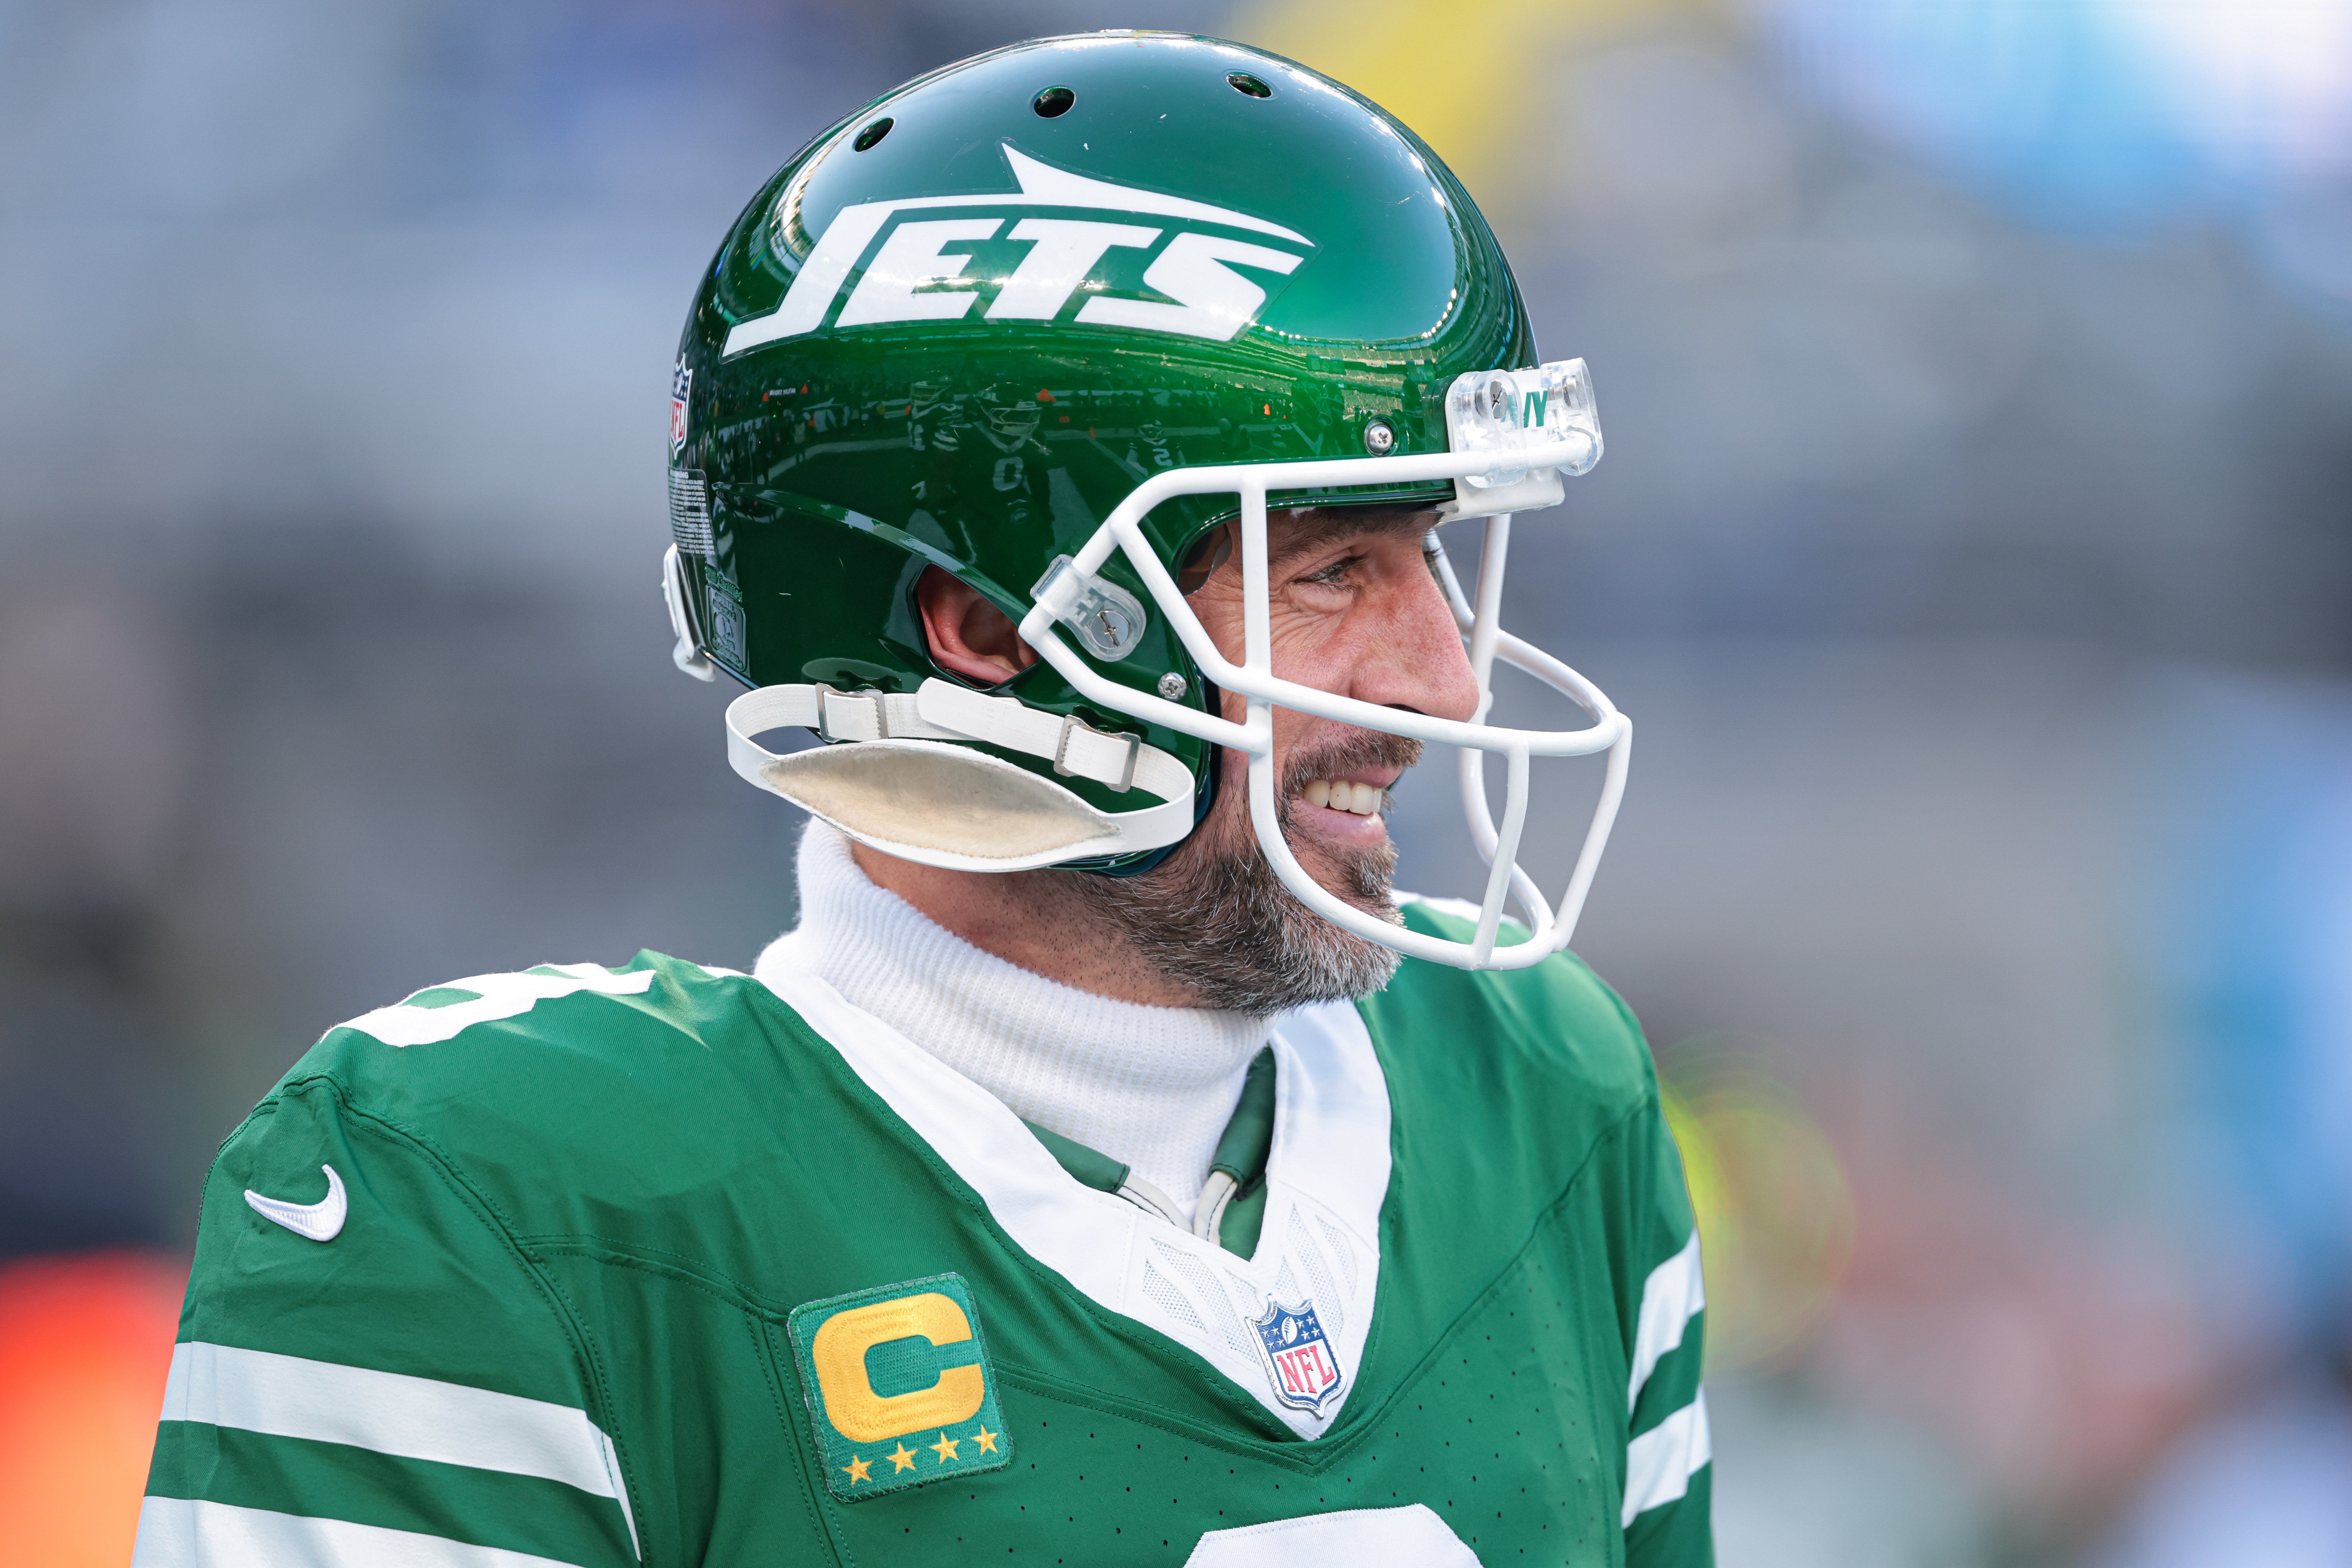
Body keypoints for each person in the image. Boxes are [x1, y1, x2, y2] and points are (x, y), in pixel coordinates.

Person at [133, 33, 1710, 1568]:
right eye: (1328, 572)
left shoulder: (1543, 1092)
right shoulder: (498, 1194)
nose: (1445, 681)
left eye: (1432, 552)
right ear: (988, 630)